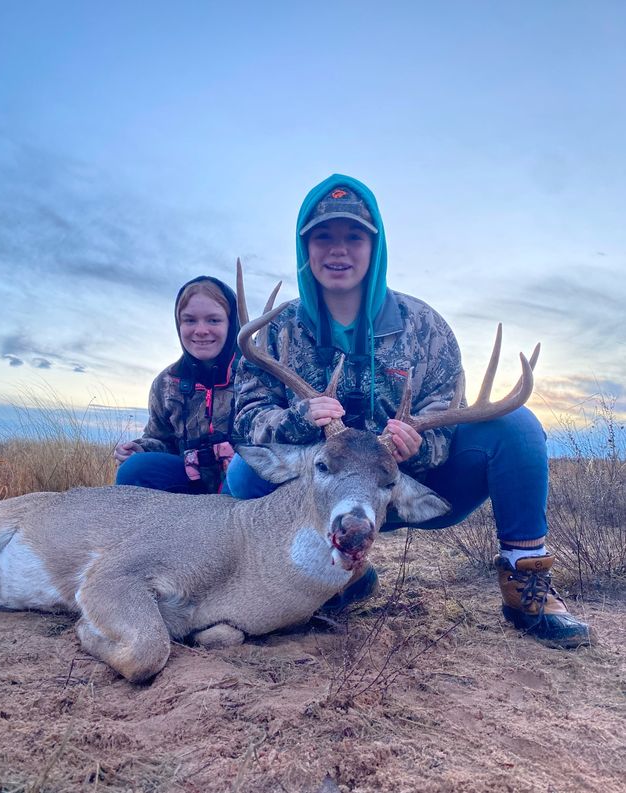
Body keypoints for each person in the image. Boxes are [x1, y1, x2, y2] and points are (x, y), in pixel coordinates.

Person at [225, 174, 591, 648]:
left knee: (515, 426)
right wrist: (298, 418)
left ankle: (527, 585)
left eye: (354, 237)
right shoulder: (279, 329)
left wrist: (420, 444)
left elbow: (447, 402)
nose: (338, 250)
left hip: (406, 486)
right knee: (244, 474)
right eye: (323, 237)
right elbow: (247, 414)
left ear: (374, 246)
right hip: (321, 489)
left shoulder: (423, 325)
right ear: (305, 247)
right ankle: (336, 574)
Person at [115, 275, 238, 494]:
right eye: (189, 320)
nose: (201, 330)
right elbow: (161, 439)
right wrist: (140, 449)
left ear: (232, 323)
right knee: (134, 469)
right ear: (178, 324)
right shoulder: (167, 382)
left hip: (241, 485)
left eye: (214, 320)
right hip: (191, 480)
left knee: (243, 472)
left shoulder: (256, 375)